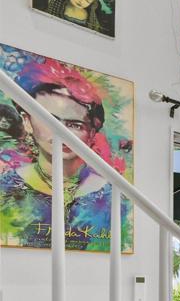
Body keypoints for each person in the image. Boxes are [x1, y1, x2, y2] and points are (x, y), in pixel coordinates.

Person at [0, 58, 130, 251]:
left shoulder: (114, 194)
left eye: (75, 125)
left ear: (92, 133)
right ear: (27, 122)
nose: (62, 133)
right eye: (50, 121)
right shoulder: (6, 190)